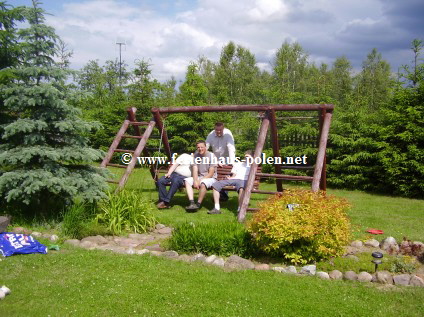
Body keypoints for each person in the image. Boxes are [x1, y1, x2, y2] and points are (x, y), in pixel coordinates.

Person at [208, 150, 252, 214]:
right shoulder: (238, 164)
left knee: (241, 188)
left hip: (244, 181)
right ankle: (216, 208)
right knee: (216, 185)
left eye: (248, 157)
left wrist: (251, 160)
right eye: (246, 156)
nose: (246, 158)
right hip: (235, 179)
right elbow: (234, 175)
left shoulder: (253, 166)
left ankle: (240, 209)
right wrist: (230, 178)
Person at [206, 122, 236, 201]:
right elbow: (206, 147)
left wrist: (231, 164)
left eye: (220, 130)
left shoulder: (228, 134)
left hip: (226, 158)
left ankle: (224, 195)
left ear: (223, 128)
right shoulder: (211, 135)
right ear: (214, 128)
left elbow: (231, 148)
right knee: (216, 175)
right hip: (215, 158)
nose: (218, 131)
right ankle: (219, 193)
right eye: (217, 130)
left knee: (225, 173)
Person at [184, 140, 217, 212]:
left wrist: (199, 181)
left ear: (206, 147)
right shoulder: (196, 155)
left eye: (202, 147)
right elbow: (195, 170)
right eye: (198, 147)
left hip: (211, 178)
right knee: (187, 181)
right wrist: (195, 181)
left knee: (203, 183)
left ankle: (198, 204)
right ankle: (192, 203)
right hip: (200, 177)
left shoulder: (212, 156)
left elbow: (211, 173)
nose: (200, 149)